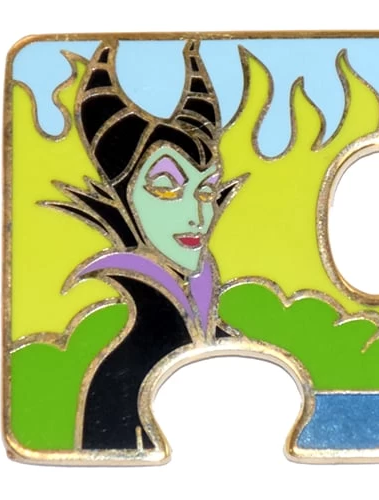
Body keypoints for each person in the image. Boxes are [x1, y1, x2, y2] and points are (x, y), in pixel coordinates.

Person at [54, 40, 241, 450]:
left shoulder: (228, 340)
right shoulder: (117, 375)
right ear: (122, 200)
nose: (197, 214)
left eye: (206, 191)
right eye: (166, 187)